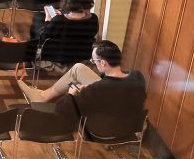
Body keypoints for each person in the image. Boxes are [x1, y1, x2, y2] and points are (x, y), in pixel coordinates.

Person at [19, 40, 147, 122]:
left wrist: (72, 94)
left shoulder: (97, 88)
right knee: (78, 68)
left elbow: (61, 110)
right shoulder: (137, 76)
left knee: (75, 86)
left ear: (103, 63)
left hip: (103, 127)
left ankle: (41, 98)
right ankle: (42, 96)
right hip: (128, 120)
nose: (93, 63)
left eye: (94, 61)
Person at [31, 0, 99, 66]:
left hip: (60, 60)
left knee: (39, 17)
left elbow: (43, 38)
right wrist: (63, 16)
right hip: (83, 57)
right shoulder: (94, 19)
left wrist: (48, 19)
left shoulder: (59, 21)